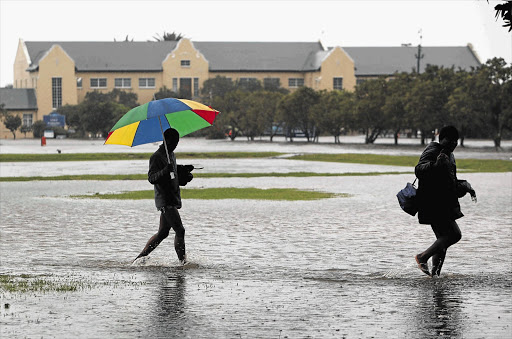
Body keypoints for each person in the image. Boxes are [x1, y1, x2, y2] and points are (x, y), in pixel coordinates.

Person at [414, 125, 476, 277]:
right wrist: (435, 165)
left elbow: (450, 181)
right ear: (442, 139)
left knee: (442, 241)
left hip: (443, 204)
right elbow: (419, 169)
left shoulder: (449, 154)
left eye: (456, 141)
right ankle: (422, 257)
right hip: (433, 204)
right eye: (450, 140)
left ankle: (435, 276)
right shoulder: (433, 150)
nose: (453, 143)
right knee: (454, 235)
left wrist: (467, 187)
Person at [133, 128, 194, 265]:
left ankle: (138, 260)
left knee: (163, 233)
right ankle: (183, 263)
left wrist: (183, 171)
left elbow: (173, 173)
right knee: (180, 230)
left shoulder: (171, 154)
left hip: (172, 197)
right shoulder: (156, 157)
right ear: (167, 141)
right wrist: (165, 170)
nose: (176, 145)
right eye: (174, 142)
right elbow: (152, 178)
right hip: (165, 199)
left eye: (178, 142)